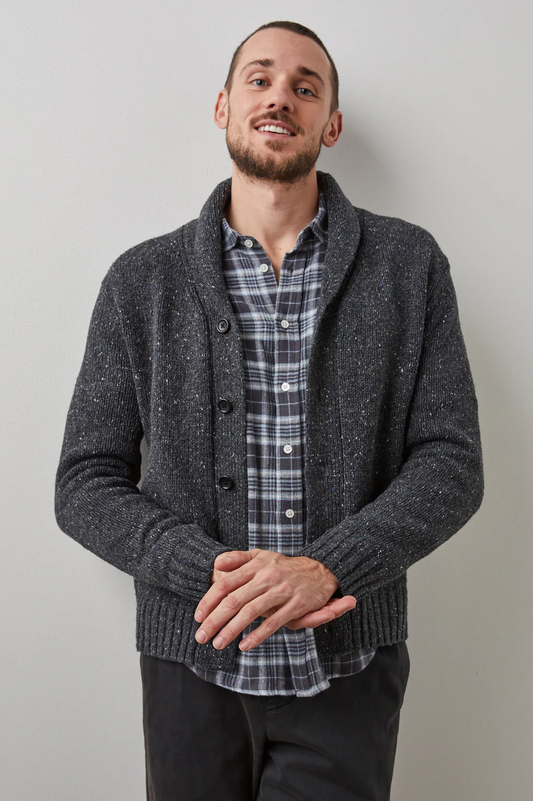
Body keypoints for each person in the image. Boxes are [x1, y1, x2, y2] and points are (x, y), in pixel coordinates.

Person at [54, 19, 484, 801]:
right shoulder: (141, 281)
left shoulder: (407, 266)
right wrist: (205, 573)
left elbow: (451, 464)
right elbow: (84, 482)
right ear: (222, 107)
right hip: (190, 665)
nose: (279, 97)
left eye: (304, 87)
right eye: (258, 79)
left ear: (331, 124)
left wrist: (329, 566)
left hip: (349, 670)